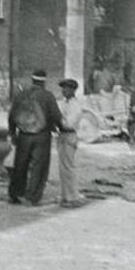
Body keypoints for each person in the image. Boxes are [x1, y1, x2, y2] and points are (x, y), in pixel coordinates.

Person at [7, 70, 73, 206]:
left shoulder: (21, 94)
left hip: (24, 135)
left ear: (32, 80)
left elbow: (12, 115)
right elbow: (56, 115)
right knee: (39, 166)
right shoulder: (47, 96)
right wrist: (62, 129)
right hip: (42, 136)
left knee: (20, 165)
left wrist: (13, 133)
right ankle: (32, 197)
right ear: (43, 81)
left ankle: (15, 194)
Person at [56, 78, 87, 208]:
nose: (64, 91)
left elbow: (68, 124)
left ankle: (73, 196)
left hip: (69, 136)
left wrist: (57, 120)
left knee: (68, 167)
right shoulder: (63, 103)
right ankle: (65, 195)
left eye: (66, 88)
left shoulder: (76, 106)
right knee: (63, 168)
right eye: (63, 88)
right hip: (61, 136)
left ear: (73, 90)